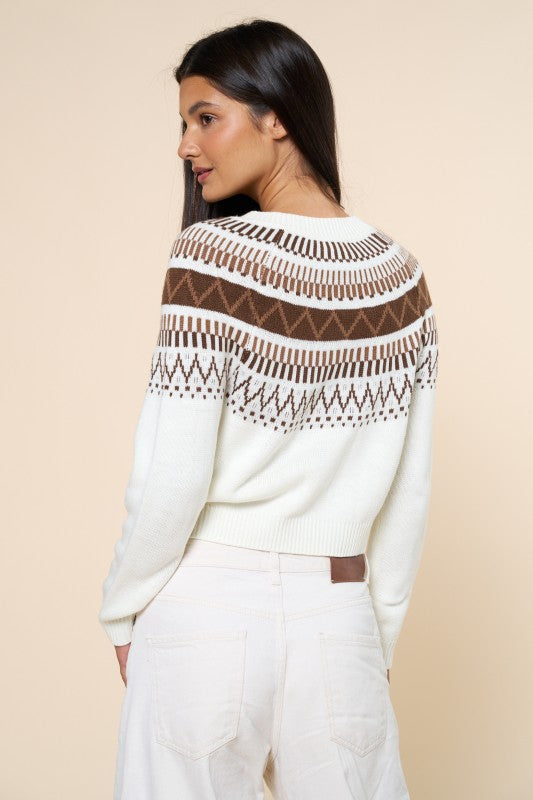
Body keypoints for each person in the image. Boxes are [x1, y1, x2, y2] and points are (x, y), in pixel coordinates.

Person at [99, 18, 439, 800]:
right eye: (184, 123)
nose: (185, 146)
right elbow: (407, 496)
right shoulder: (402, 279)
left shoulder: (210, 258)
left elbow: (172, 470)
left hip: (205, 611)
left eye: (205, 117)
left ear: (276, 116)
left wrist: (123, 608)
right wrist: (374, 637)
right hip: (339, 617)